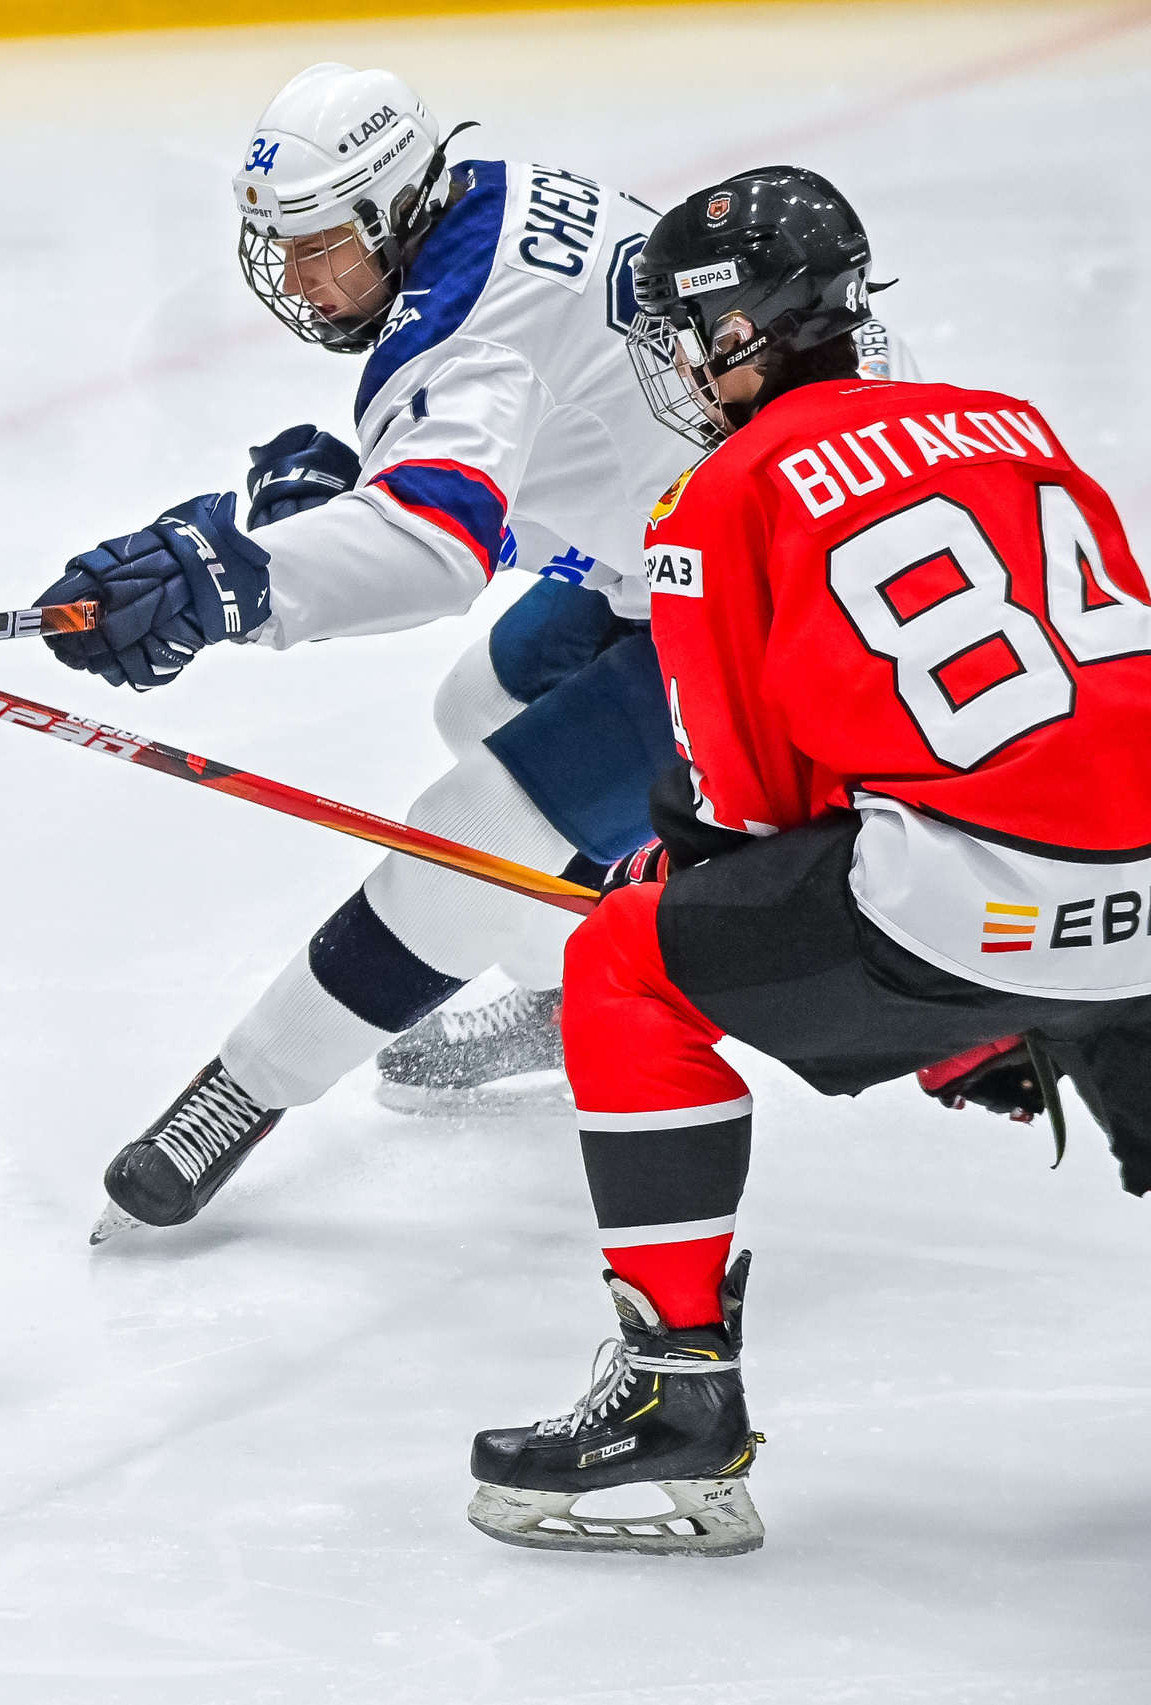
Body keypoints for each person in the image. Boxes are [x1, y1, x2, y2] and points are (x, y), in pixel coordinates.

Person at [32, 64, 914, 1243]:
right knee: (481, 699)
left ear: (397, 207)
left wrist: (240, 583)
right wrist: (358, 494)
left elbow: (433, 551)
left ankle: (240, 1092)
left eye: (321, 246)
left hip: (756, 599)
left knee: (473, 827)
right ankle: (564, 996)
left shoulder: (459, 329)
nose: (297, 278)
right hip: (701, 535)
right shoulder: (493, 201)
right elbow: (584, 444)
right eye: (282, 247)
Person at [465, 168, 1151, 1556]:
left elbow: (755, 823)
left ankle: (677, 1397)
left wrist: (689, 886)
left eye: (678, 331)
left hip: (978, 913)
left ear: (735, 334)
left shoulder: (713, 499)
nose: (667, 360)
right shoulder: (1015, 423)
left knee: (621, 960)